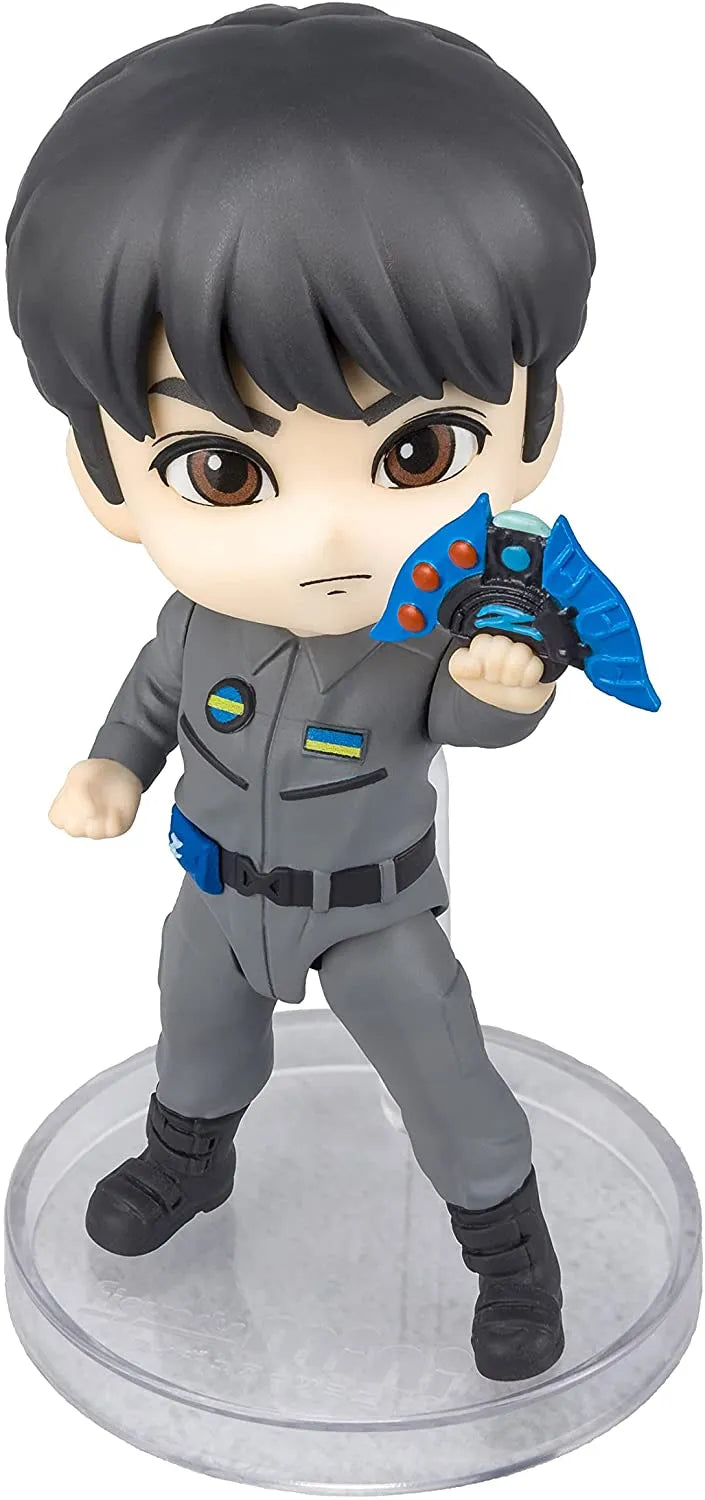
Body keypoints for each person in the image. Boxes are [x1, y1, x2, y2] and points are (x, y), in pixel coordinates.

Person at [6, 4, 594, 1381]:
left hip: (372, 916)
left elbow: (467, 717)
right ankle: (188, 1155)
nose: (326, 537)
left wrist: (506, 684)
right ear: (104, 475)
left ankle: (509, 1252)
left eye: (415, 453)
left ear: (531, 426)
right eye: (224, 470)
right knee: (194, 1033)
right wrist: (111, 765)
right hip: (217, 897)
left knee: (444, 1079)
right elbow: (153, 697)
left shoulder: (421, 633)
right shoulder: (194, 619)